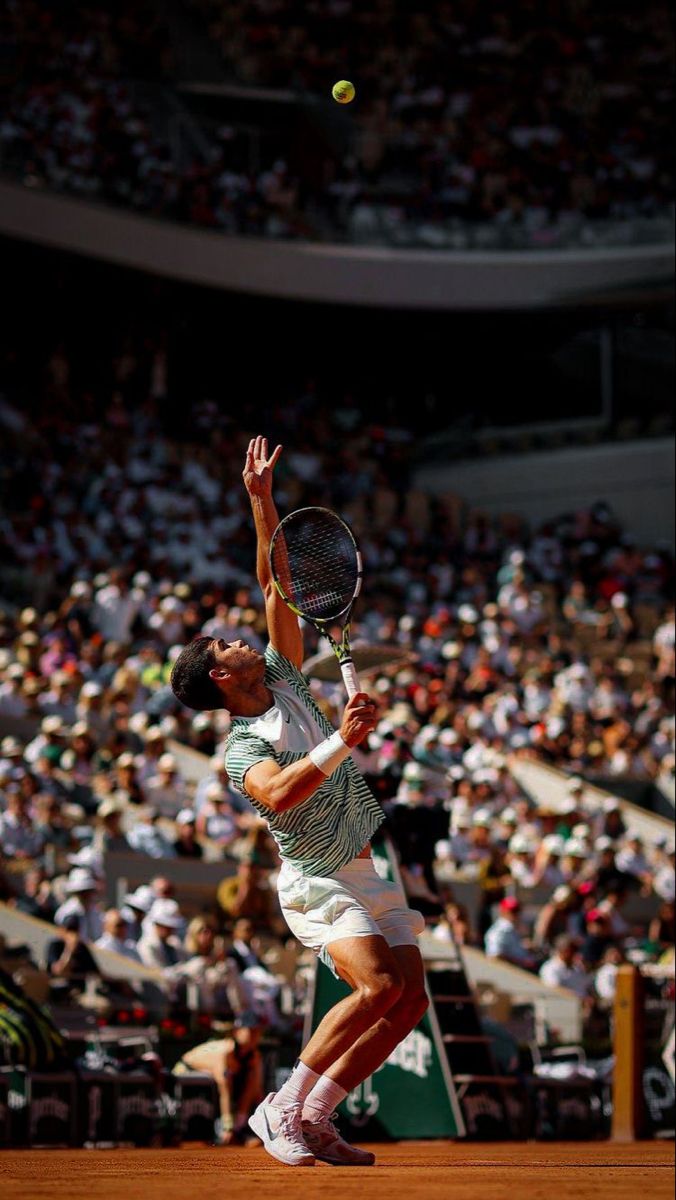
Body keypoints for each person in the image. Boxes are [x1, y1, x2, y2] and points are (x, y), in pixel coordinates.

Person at [170, 437, 426, 1168]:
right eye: (225, 644)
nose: (241, 638)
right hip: (315, 881)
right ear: (220, 677)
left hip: (366, 863)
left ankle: (317, 1114)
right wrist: (342, 741)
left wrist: (261, 502)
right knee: (375, 986)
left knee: (406, 1001)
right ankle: (279, 1106)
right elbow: (282, 791)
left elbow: (275, 582)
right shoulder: (243, 747)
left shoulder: (282, 674)